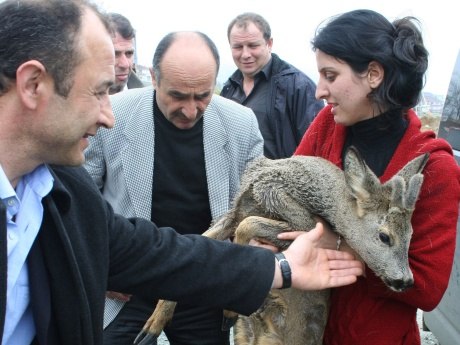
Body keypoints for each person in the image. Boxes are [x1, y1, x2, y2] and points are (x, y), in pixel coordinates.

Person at [0, 1, 364, 345]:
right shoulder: (78, 169)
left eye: (202, 96)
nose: (107, 115)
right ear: (33, 85)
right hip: (125, 294)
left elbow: (148, 251)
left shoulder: (56, 187)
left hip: (200, 288)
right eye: (98, 92)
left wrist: (279, 267)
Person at [84, 31, 264, 345]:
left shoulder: (242, 123)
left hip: (204, 282)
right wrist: (101, 266)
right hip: (127, 286)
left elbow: (258, 207)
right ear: (154, 78)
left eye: (203, 96)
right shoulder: (110, 116)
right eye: (178, 96)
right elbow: (79, 203)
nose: (191, 110)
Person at [292, 9, 460, 344]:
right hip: (306, 331)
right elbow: (291, 190)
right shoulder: (328, 125)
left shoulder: (434, 168)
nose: (319, 91)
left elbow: (426, 288)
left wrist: (338, 245)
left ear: (373, 74)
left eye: (330, 75)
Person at [220, 12, 324, 159]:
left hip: (285, 180)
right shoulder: (228, 89)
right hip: (239, 180)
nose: (245, 54)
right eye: (238, 47)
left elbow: (318, 148)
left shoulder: (298, 86)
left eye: (252, 45)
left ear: (269, 44)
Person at [108, 12, 145, 94]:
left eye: (129, 53)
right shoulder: (75, 101)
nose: (125, 64)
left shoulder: (150, 99)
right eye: (115, 54)